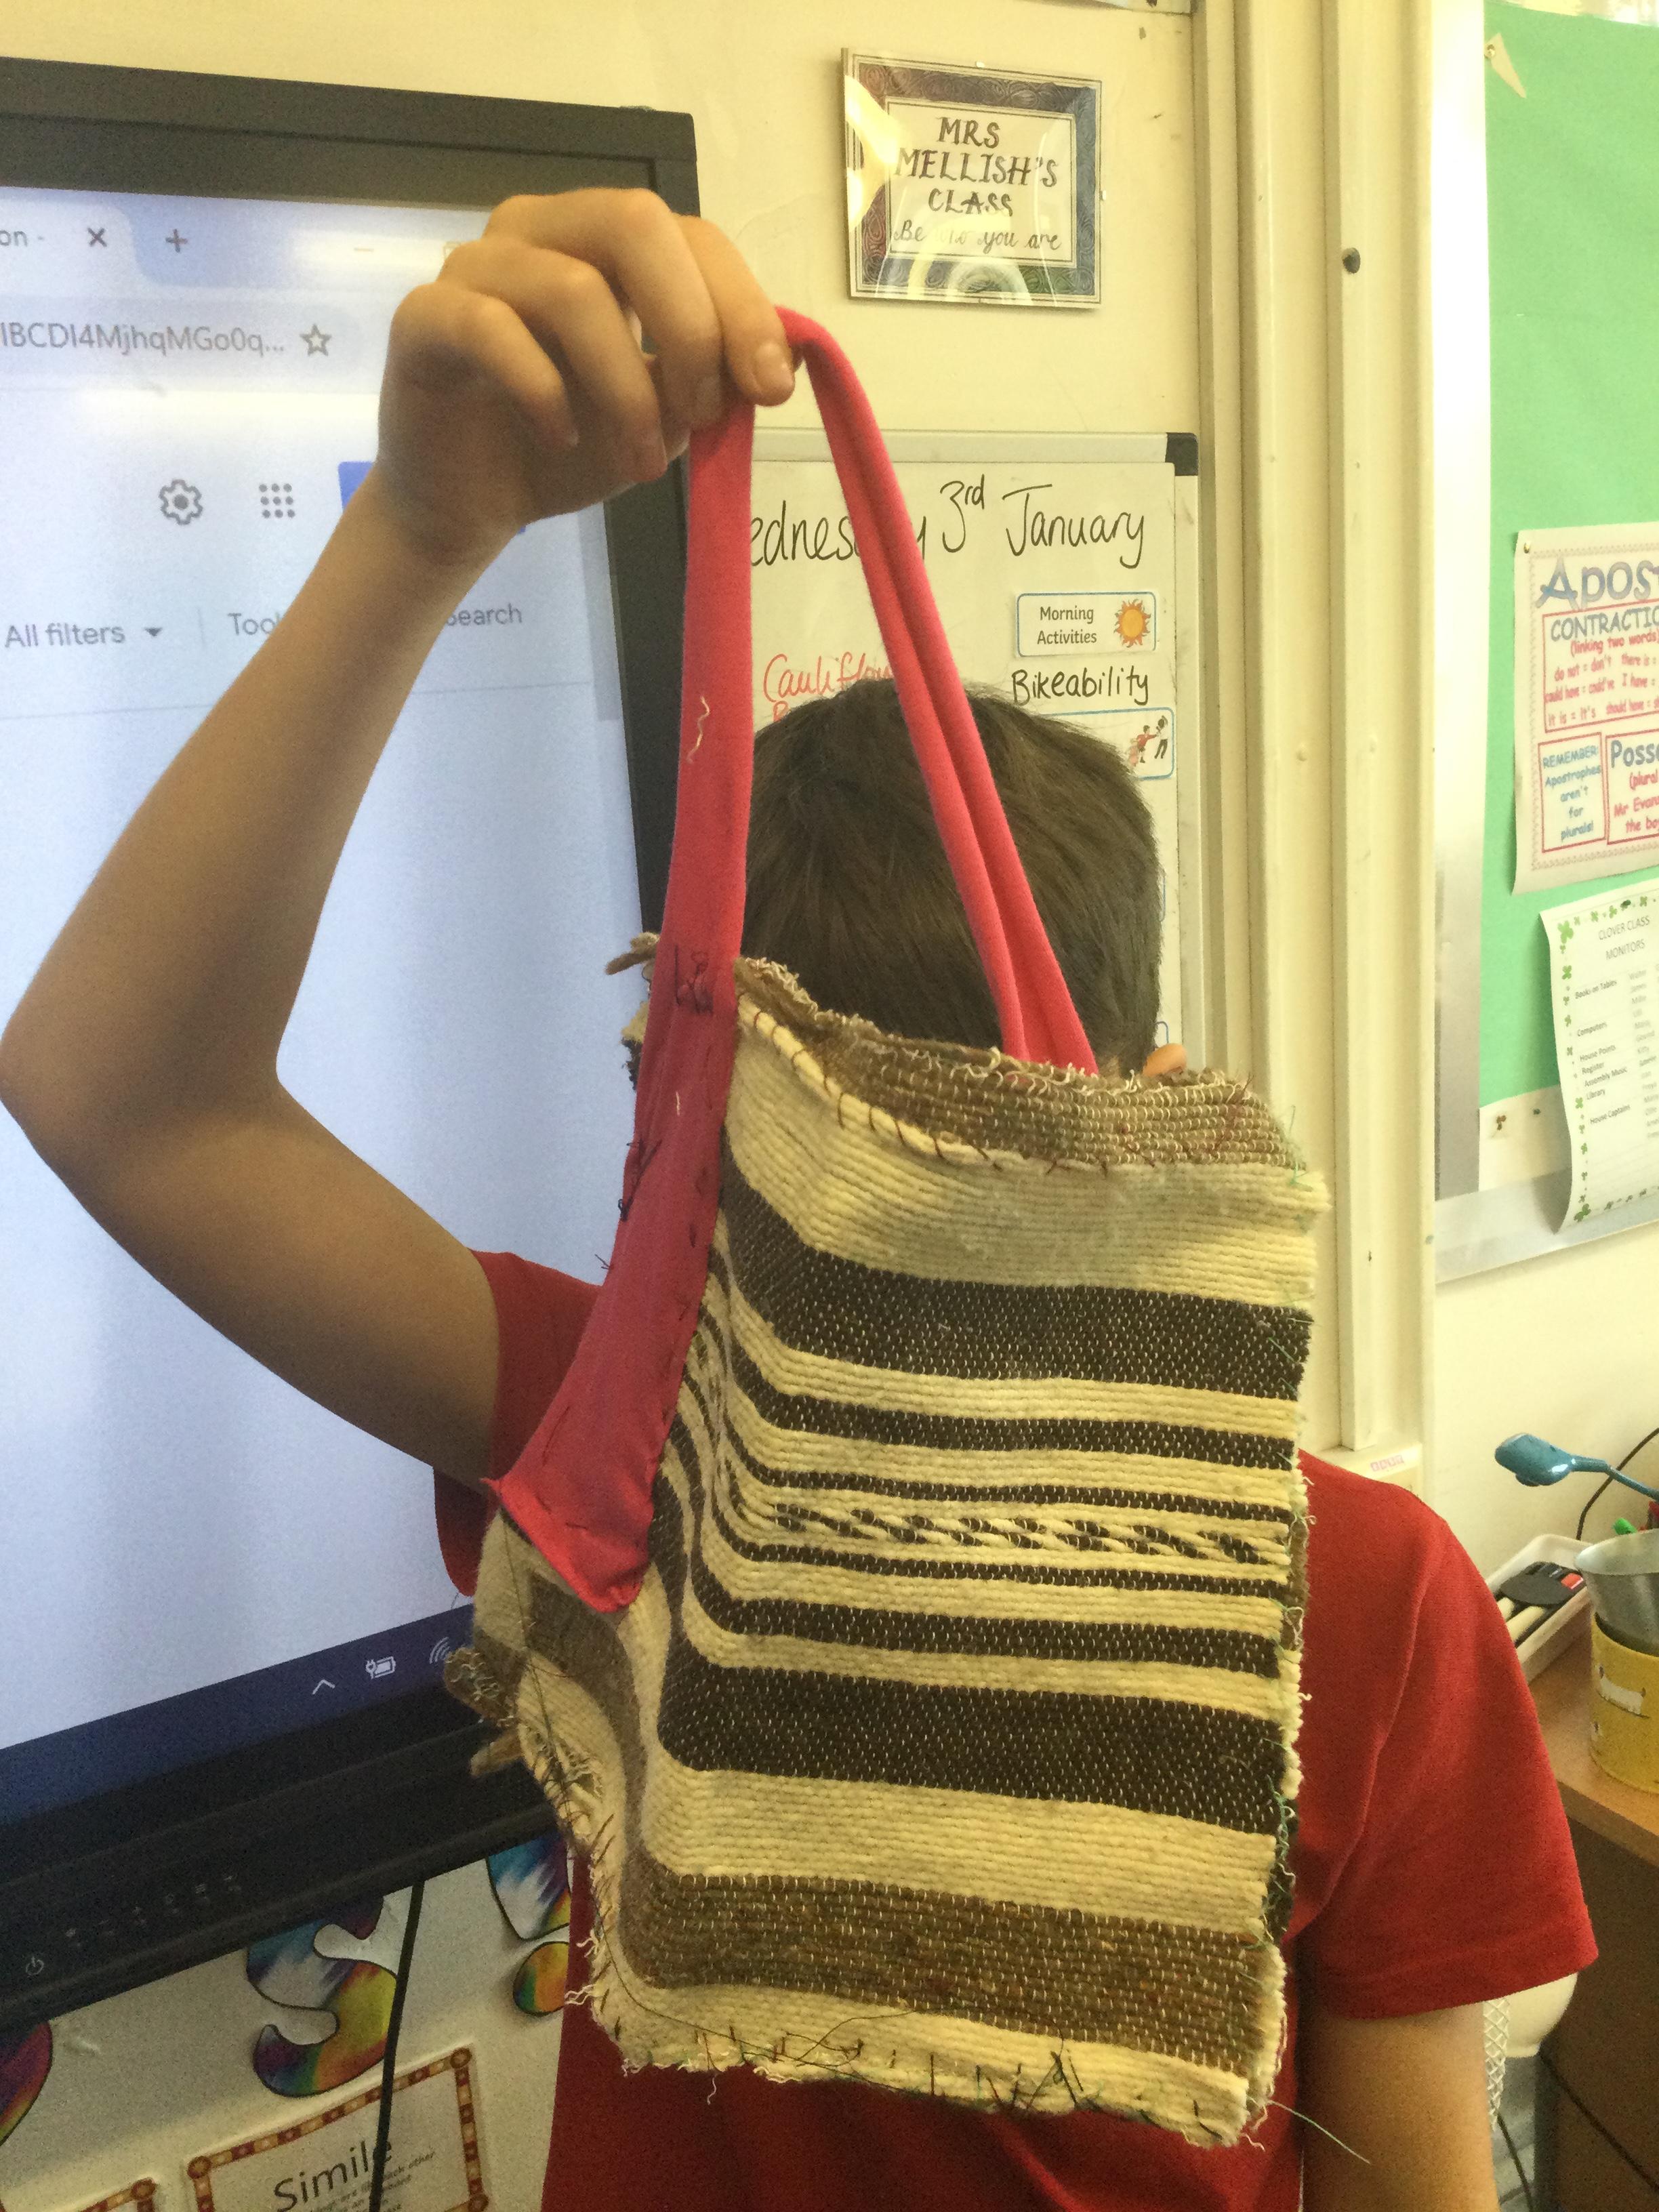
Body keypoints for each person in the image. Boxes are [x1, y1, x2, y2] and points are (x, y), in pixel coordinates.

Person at [0, 189, 1593, 2212]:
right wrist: (415, 522)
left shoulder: (637, 1448)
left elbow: (130, 1101)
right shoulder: (1345, 1594)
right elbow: (113, 1095)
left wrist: (424, 533)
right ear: (1156, 1115)